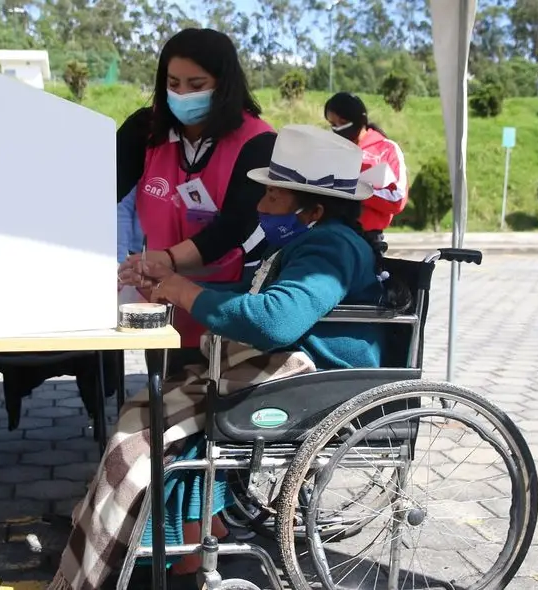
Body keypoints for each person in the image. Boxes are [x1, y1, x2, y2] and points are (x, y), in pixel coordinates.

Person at [47, 125, 392, 590]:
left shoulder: (330, 248)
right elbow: (255, 296)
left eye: (271, 196)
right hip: (295, 371)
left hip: (318, 382)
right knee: (145, 413)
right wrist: (183, 290)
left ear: (312, 209)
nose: (260, 206)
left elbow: (275, 321)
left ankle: (168, 551)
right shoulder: (312, 240)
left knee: (146, 438)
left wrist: (188, 292)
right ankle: (180, 541)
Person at [115, 28, 277, 372]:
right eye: (173, 84)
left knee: (216, 387)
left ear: (224, 85)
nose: (182, 95)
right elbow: (101, 190)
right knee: (166, 381)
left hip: (226, 293)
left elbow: (233, 226)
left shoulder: (257, 141)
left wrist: (169, 260)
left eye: (196, 85)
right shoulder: (145, 130)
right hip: (157, 290)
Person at [324, 92, 409, 251]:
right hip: (331, 233)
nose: (337, 129)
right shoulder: (330, 148)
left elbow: (397, 198)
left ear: (360, 120)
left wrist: (354, 189)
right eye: (332, 124)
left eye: (342, 122)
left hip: (368, 238)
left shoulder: (385, 149)